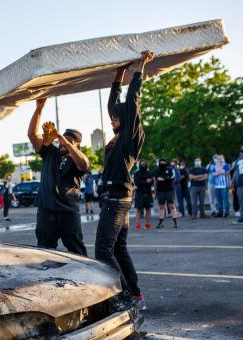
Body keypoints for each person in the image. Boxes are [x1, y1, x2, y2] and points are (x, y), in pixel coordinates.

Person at [95, 50, 154, 309]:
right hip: (116, 197)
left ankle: (125, 296)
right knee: (118, 248)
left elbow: (133, 99)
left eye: (117, 117)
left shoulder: (130, 134)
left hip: (118, 198)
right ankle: (136, 295)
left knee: (103, 251)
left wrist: (140, 67)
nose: (113, 120)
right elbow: (114, 101)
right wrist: (118, 72)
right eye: (112, 118)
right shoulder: (117, 134)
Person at [27, 98, 90, 255]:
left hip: (68, 210)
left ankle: (83, 278)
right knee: (44, 251)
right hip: (47, 209)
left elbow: (84, 164)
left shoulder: (78, 158)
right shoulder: (51, 153)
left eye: (69, 141)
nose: (62, 143)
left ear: (77, 145)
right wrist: (39, 109)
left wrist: (67, 143)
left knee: (77, 251)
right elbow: (32, 134)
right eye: (62, 140)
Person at [154, 158, 179, 229]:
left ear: (166, 163)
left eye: (163, 162)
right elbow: (157, 179)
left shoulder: (170, 169)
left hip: (169, 190)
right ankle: (160, 222)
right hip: (160, 191)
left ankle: (175, 222)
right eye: (161, 162)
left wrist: (164, 179)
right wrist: (166, 178)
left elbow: (172, 178)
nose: (162, 164)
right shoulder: (157, 170)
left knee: (171, 206)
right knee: (161, 207)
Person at [133, 160, 153, 230]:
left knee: (148, 209)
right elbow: (137, 182)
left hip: (148, 193)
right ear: (139, 165)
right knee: (138, 209)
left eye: (144, 164)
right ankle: (138, 225)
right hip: (139, 193)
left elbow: (151, 182)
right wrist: (146, 181)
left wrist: (145, 182)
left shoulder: (149, 173)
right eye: (141, 164)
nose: (143, 165)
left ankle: (147, 224)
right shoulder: (136, 173)